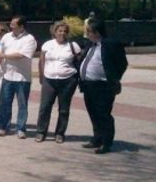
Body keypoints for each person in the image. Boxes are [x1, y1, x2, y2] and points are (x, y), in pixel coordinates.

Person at [80, 18, 128, 154]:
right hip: (88, 85)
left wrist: (114, 78)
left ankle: (106, 143)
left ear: (97, 32)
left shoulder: (110, 44)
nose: (87, 34)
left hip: (103, 86)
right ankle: (97, 138)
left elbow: (122, 63)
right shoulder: (90, 44)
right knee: (93, 113)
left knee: (103, 114)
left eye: (89, 31)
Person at [36, 21, 81, 144]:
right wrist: (41, 77)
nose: (62, 33)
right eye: (59, 31)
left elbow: (79, 63)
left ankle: (60, 133)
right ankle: (41, 131)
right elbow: (41, 62)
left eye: (65, 31)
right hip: (49, 79)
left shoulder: (73, 46)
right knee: (45, 107)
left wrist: (76, 80)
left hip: (67, 81)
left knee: (64, 109)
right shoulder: (47, 45)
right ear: (54, 32)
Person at [0, 15, 37, 139]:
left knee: (22, 105)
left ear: (22, 27)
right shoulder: (6, 37)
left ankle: (21, 129)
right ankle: (4, 127)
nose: (11, 26)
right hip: (7, 76)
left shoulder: (30, 39)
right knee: (4, 103)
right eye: (11, 24)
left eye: (13, 25)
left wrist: (5, 56)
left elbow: (22, 55)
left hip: (22, 78)